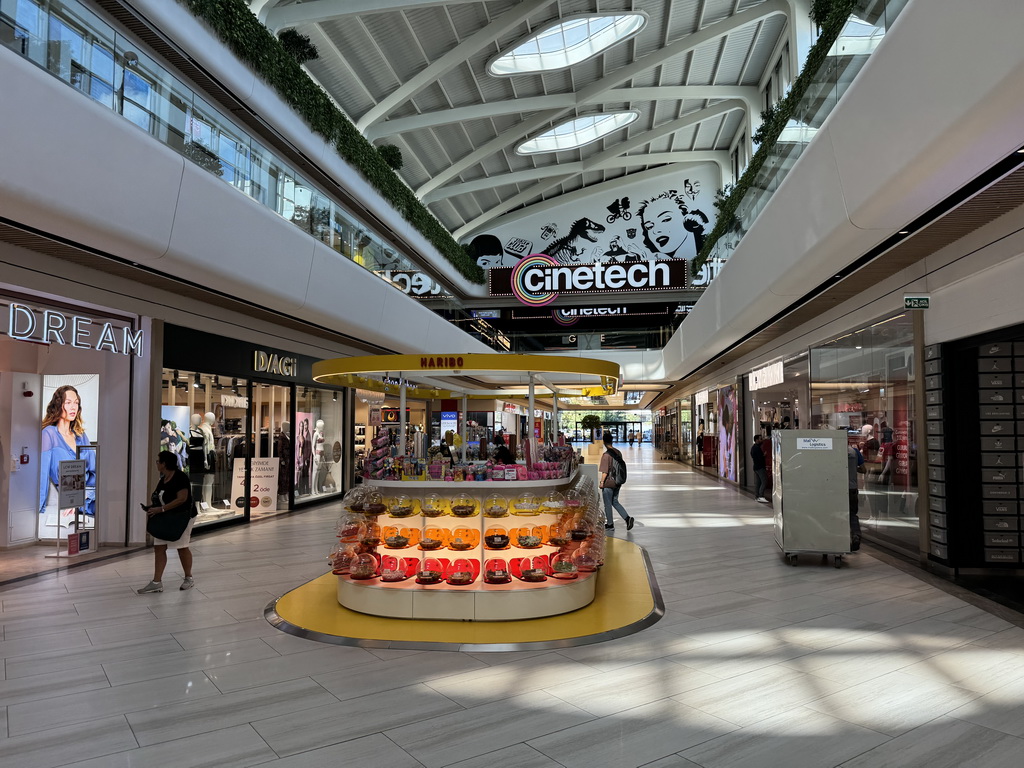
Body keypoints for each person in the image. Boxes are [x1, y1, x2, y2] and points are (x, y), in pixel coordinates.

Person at [137, 450, 197, 593]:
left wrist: (161, 509)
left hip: (183, 517)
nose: (157, 464)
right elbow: (159, 497)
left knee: (182, 546)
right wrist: (153, 508)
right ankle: (157, 582)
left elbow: (182, 498)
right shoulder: (163, 479)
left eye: (158, 461)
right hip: (166, 517)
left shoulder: (180, 477)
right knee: (159, 547)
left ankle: (189, 577)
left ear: (164, 464)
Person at [39, 385, 96, 529]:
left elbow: (95, 470)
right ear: (58, 405)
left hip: (89, 493)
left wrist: (87, 494)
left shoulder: (81, 436)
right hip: (69, 494)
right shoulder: (49, 434)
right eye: (68, 402)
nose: (73, 407)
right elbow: (42, 473)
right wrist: (38, 508)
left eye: (76, 403)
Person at [637, 190, 710, 261]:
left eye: (665, 220)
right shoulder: (660, 261)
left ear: (685, 216)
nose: (656, 231)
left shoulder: (710, 248)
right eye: (649, 227)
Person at [599, 431, 633, 531]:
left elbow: (605, 471)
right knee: (615, 501)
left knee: (608, 504)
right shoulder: (618, 452)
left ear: (604, 442)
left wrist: (601, 483)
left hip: (609, 482)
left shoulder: (606, 455)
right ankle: (627, 518)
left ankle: (610, 524)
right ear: (612, 441)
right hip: (618, 481)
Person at [840, 426, 864, 551]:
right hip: (852, 488)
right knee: (852, 514)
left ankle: (839, 538)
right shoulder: (855, 452)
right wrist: (855, 468)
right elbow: (863, 469)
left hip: (839, 488)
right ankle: (856, 534)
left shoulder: (835, 451)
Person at [751, 435, 769, 502]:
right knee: (764, 481)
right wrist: (763, 456)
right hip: (760, 467)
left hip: (756, 467)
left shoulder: (754, 447)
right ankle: (761, 495)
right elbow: (759, 458)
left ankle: (757, 496)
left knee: (758, 482)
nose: (762, 440)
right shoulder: (756, 448)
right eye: (760, 439)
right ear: (756, 440)